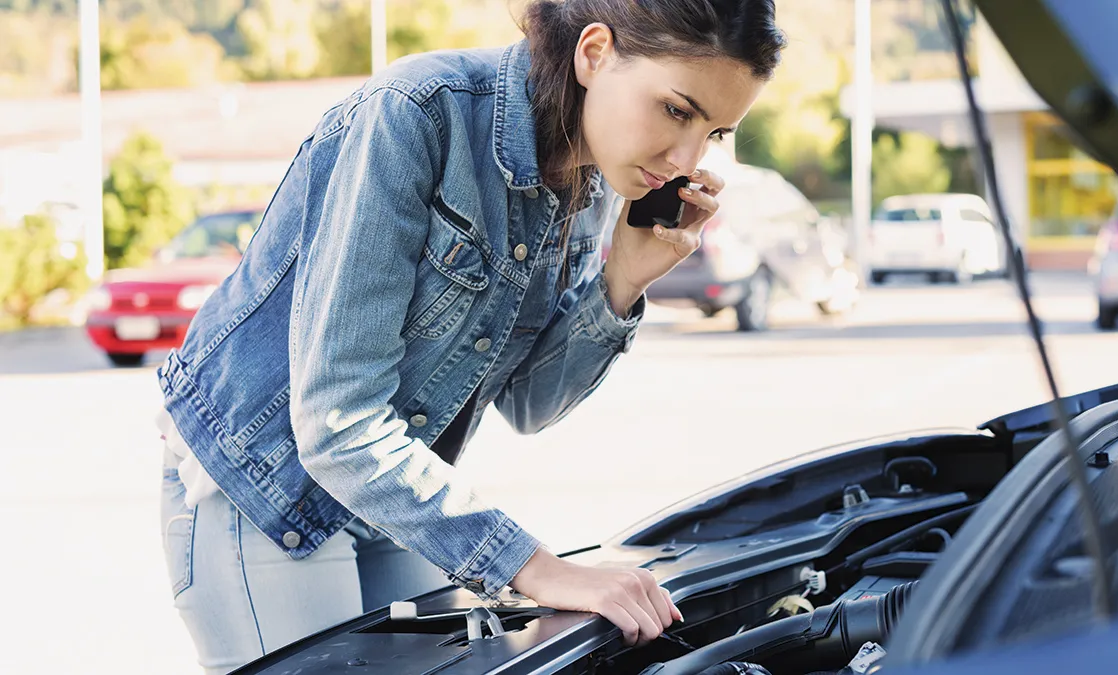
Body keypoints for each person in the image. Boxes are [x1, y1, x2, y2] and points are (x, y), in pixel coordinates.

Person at [156, 0, 786, 672]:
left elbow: (529, 403)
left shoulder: (593, 180)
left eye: (715, 132)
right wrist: (533, 566)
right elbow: (334, 420)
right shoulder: (415, 115)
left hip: (388, 489)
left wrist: (622, 280)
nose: (686, 157)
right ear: (594, 53)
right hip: (263, 485)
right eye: (677, 110)